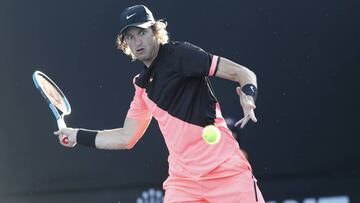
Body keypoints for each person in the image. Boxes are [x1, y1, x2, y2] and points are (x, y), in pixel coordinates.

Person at [55, 5, 265, 202]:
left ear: (155, 31)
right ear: (125, 44)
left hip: (226, 171)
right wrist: (77, 135)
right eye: (130, 36)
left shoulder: (181, 54)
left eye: (142, 32)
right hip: (183, 182)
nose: (137, 42)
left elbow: (243, 73)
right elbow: (125, 138)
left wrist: (248, 95)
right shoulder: (142, 87)